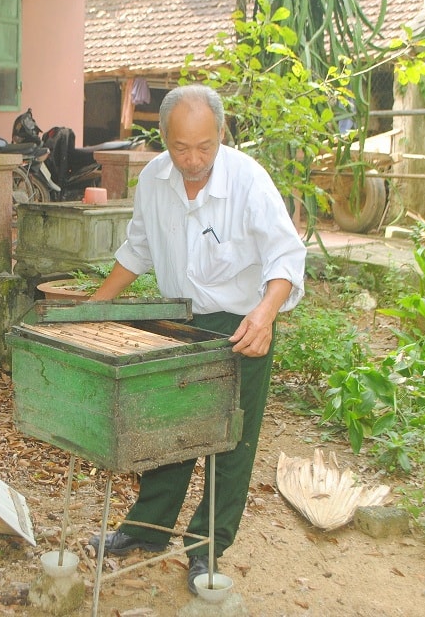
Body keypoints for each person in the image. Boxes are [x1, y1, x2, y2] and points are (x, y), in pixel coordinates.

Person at [87, 84, 306, 595]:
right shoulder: (154, 180)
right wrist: (95, 307)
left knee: (229, 443)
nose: (193, 159)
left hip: (240, 328)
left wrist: (266, 314)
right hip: (177, 323)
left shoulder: (248, 180)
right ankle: (147, 530)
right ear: (162, 138)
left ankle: (206, 550)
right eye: (181, 147)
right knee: (167, 433)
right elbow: (137, 249)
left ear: (221, 135)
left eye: (204, 147)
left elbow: (286, 256)